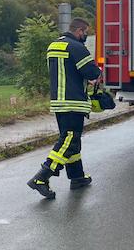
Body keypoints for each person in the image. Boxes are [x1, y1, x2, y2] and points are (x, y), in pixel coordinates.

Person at [27, 18, 102, 199]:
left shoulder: (53, 46)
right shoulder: (77, 47)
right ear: (79, 31)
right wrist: (97, 75)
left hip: (58, 101)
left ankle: (77, 177)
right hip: (74, 101)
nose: (85, 35)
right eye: (85, 32)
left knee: (72, 140)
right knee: (68, 140)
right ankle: (41, 177)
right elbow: (92, 73)